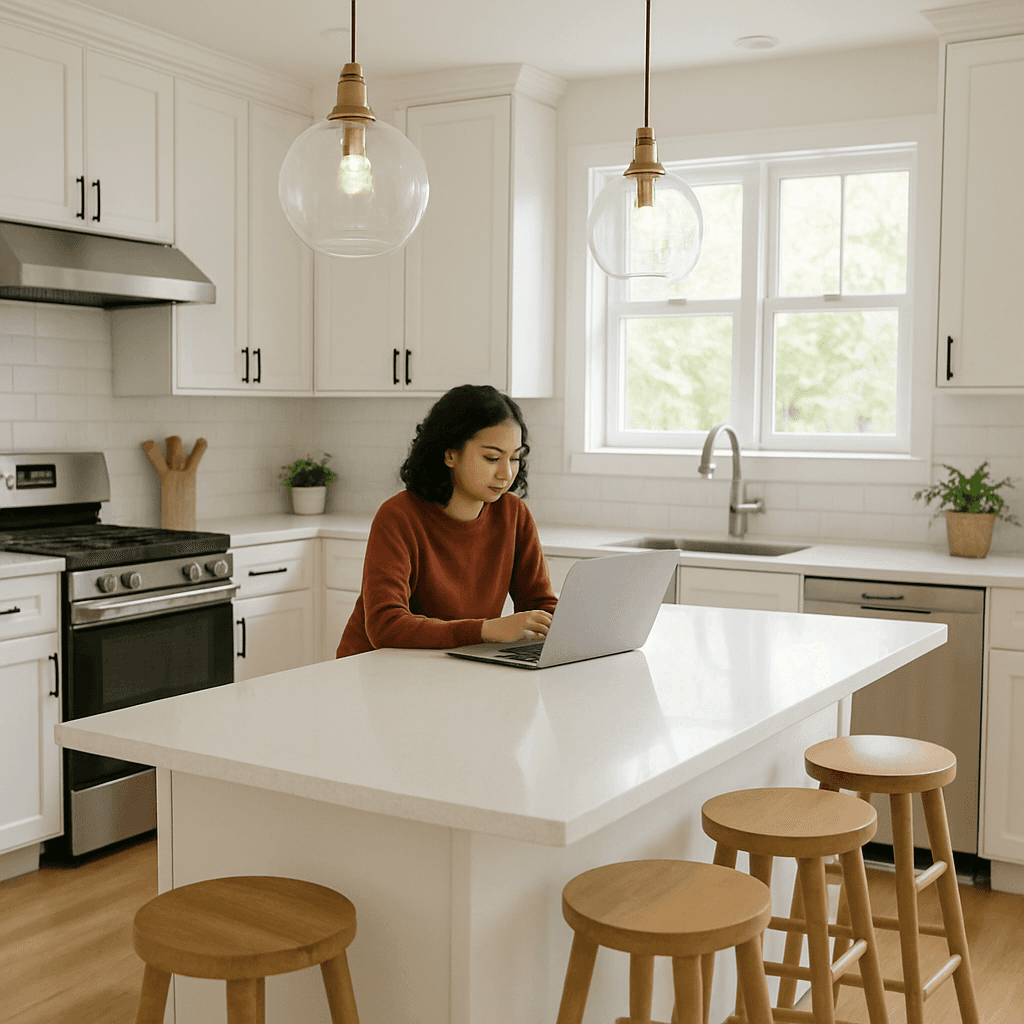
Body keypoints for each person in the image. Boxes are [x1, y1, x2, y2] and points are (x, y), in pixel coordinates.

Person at [336, 384, 557, 657]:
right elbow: (385, 626)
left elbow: (539, 604)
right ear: (450, 453)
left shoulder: (514, 514)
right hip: (374, 670)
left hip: (452, 665)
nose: (506, 473)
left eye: (514, 458)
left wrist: (580, 625)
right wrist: (485, 630)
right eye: (492, 458)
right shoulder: (397, 516)